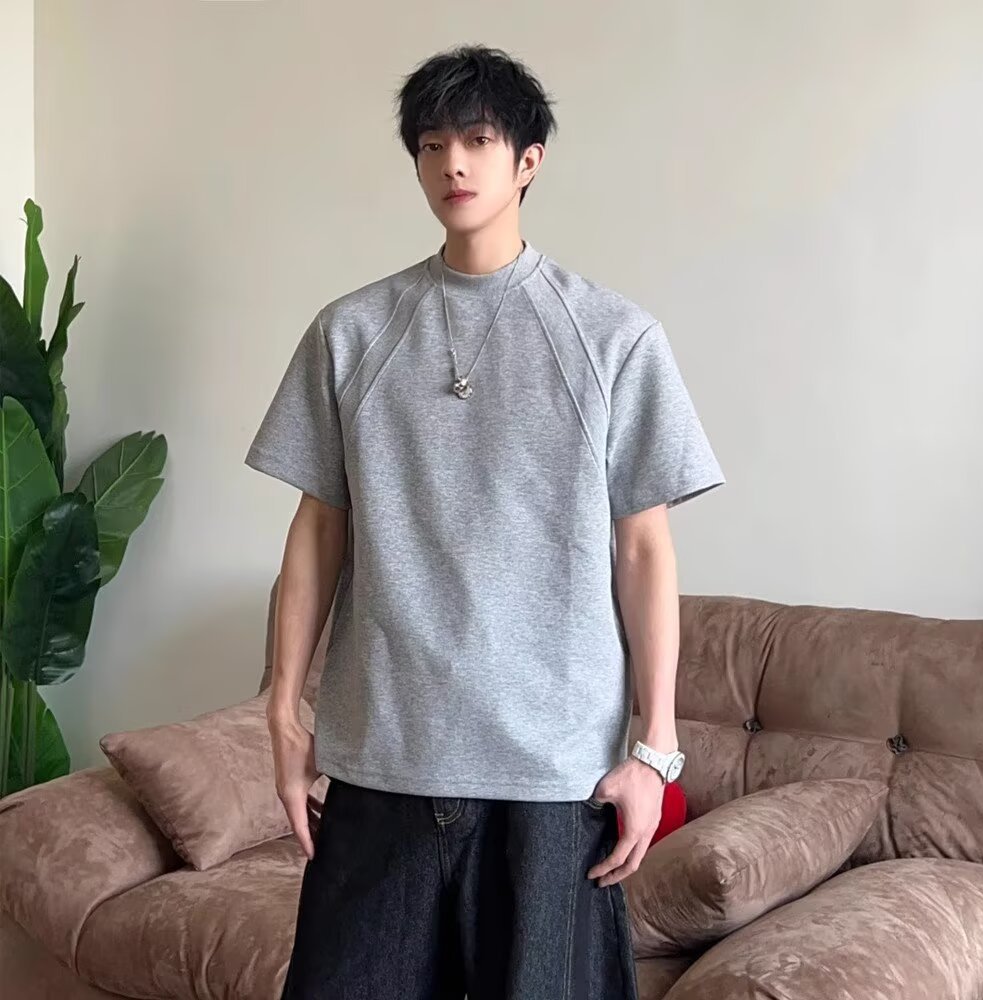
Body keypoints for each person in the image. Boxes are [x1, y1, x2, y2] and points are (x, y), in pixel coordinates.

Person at [245, 42, 726, 1000]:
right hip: (383, 761)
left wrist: (655, 752)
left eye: (476, 140)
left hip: (552, 776)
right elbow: (316, 533)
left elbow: (644, 551)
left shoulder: (614, 337)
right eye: (431, 145)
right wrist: (282, 710)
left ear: (528, 160)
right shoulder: (351, 332)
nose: (452, 165)